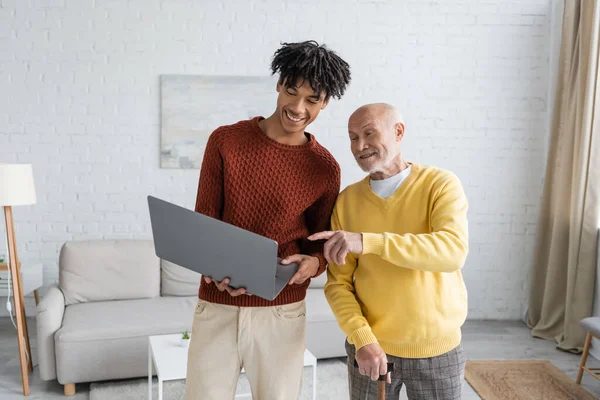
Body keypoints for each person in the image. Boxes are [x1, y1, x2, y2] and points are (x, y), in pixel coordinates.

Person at [184, 40, 351, 400]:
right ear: (278, 85)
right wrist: (216, 273)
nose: (297, 107)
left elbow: (317, 248)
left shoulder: (324, 168)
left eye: (312, 100)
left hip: (282, 311)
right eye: (291, 92)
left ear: (325, 103)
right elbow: (204, 222)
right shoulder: (225, 141)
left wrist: (314, 263)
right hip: (217, 304)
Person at [309, 103, 469, 399]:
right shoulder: (347, 201)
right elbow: (338, 284)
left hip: (438, 350)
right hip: (371, 349)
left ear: (398, 132)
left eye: (369, 133)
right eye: (353, 137)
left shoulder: (440, 185)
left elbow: (451, 252)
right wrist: (362, 339)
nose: (360, 145)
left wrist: (368, 241)